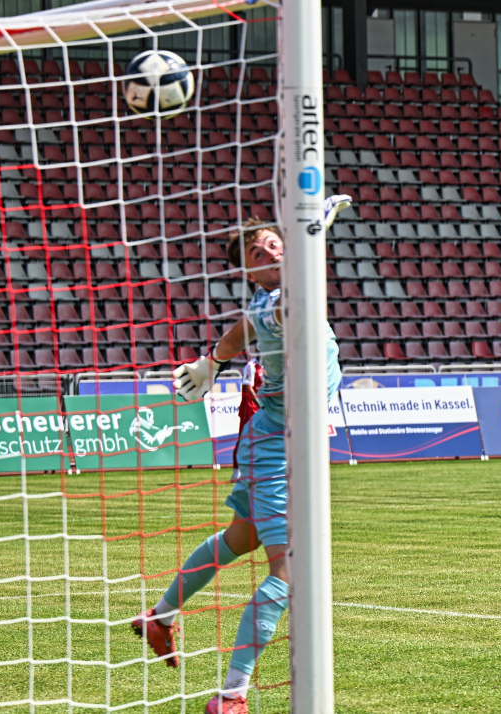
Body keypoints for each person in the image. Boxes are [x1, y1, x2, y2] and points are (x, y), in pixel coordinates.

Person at [132, 196, 351, 714]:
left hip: (275, 438)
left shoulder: (263, 304)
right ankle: (231, 695)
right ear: (250, 272)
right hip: (277, 446)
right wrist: (312, 235)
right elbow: (288, 295)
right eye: (258, 251)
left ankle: (159, 617)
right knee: (289, 572)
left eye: (274, 242)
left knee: (240, 538)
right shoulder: (279, 299)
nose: (271, 251)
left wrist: (211, 362)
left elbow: (239, 333)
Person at [231, 358, 264, 468]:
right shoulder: (251, 366)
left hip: (263, 407)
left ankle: (259, 467)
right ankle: (236, 471)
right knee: (244, 438)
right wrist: (260, 405)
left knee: (263, 439)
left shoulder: (269, 365)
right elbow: (248, 389)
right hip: (249, 406)